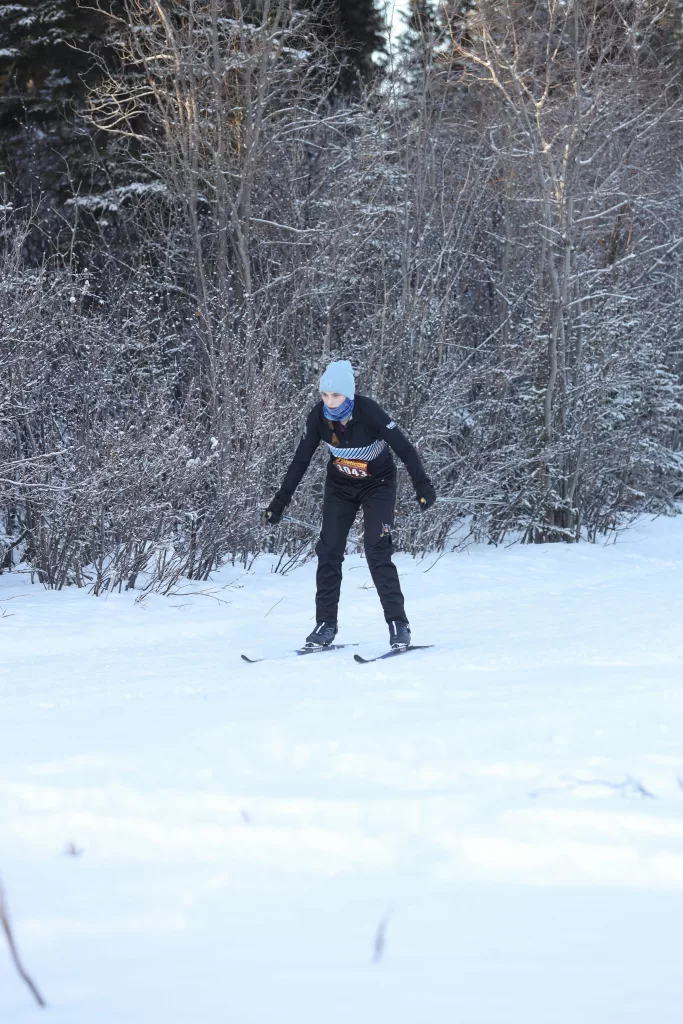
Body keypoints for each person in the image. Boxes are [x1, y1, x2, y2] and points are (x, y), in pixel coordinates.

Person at [265, 360, 436, 650]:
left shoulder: (369, 412)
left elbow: (404, 448)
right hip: (340, 487)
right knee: (329, 549)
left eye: (336, 395)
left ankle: (398, 624)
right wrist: (280, 501)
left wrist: (423, 485)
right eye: (324, 395)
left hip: (377, 486)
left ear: (349, 395)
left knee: (376, 549)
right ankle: (325, 625)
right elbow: (301, 460)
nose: (330, 402)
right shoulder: (318, 417)